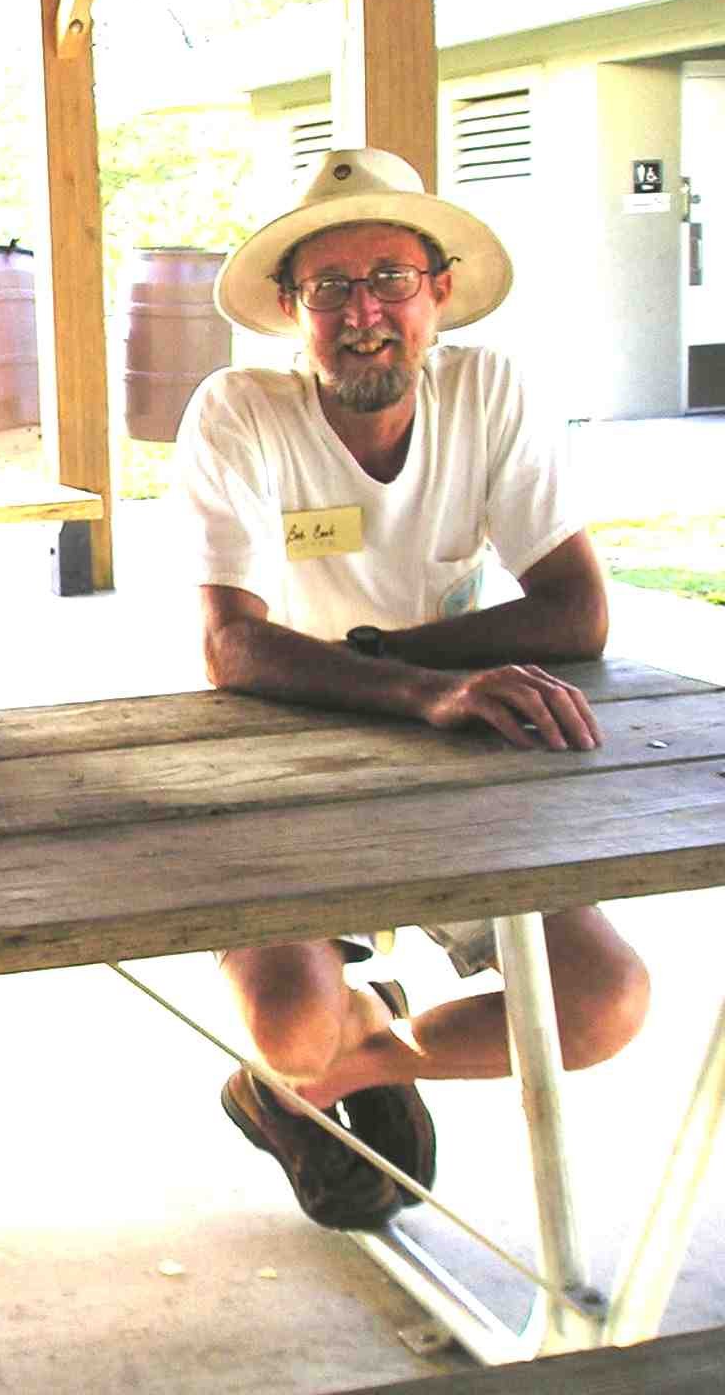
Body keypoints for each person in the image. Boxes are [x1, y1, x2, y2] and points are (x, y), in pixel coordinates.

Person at [173, 147, 650, 1232]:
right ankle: (311, 1051)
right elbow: (232, 649)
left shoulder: (487, 391)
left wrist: (382, 665)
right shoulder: (237, 410)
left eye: (389, 278)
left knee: (604, 1004)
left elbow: (576, 611)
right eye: (329, 287)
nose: (363, 313)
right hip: (277, 759)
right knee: (291, 1026)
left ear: (438, 289)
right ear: (289, 308)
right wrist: (426, 685)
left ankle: (341, 1070)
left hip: (450, 754)